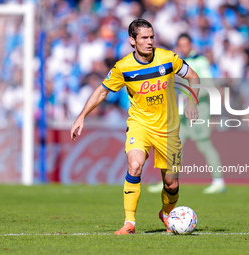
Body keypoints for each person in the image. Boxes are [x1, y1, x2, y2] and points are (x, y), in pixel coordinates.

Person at [70, 19, 200, 235]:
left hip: (168, 130)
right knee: (135, 165)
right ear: (132, 40)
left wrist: (193, 102)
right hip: (139, 126)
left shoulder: (168, 58)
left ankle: (166, 213)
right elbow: (102, 91)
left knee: (171, 185)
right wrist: (81, 116)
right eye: (144, 38)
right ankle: (129, 223)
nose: (149, 42)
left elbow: (193, 76)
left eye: (152, 37)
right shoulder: (123, 67)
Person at [147, 33, 226, 194]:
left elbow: (208, 85)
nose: (183, 47)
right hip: (182, 113)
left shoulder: (200, 61)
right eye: (180, 44)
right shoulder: (178, 63)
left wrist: (189, 97)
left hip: (199, 111)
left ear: (191, 44)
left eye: (186, 44)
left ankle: (218, 181)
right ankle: (168, 182)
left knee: (204, 145)